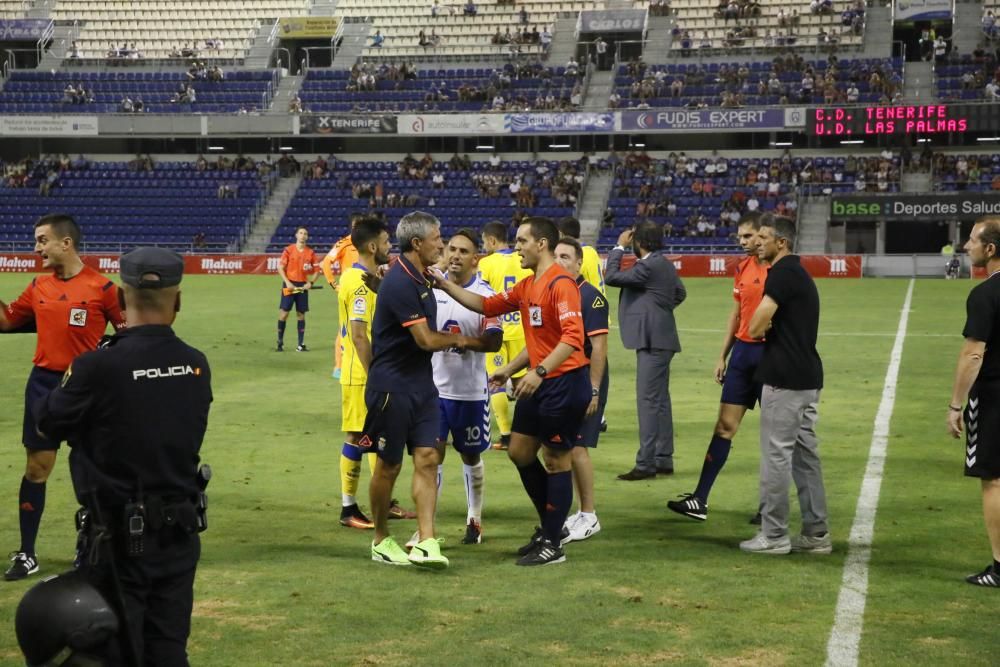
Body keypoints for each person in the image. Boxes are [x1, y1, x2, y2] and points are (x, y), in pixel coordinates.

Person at [33, 247, 212, 664]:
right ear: (178, 301)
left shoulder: (97, 367)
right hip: (179, 533)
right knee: (168, 647)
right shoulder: (196, 364)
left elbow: (47, 424)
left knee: (115, 650)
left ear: (118, 299)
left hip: (118, 539)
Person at [434, 217, 592, 566]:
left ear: (542, 245)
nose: (516, 246)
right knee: (519, 452)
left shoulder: (561, 284)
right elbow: (487, 306)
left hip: (563, 382)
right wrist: (444, 285)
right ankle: (551, 526)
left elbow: (572, 338)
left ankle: (553, 542)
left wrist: (537, 371)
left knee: (556, 460)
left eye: (522, 241)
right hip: (539, 381)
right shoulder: (528, 285)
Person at [1, 214, 125, 581]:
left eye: (42, 240)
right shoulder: (38, 285)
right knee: (37, 468)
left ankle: (91, 548)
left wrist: (108, 350)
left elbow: (129, 332)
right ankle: (27, 553)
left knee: (90, 471)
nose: (36, 247)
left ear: (65, 243)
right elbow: (7, 320)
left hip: (87, 389)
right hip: (43, 385)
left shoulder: (103, 289)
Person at [363, 212, 479, 569]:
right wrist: (464, 339)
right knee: (389, 466)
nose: (441, 244)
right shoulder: (401, 281)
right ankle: (381, 539)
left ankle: (427, 540)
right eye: (437, 238)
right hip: (391, 388)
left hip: (422, 386)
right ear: (417, 244)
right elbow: (426, 339)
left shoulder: (423, 278)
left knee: (429, 459)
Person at [669, 214, 768, 522]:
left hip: (771, 355)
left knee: (775, 435)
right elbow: (737, 314)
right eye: (740, 236)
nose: (743, 242)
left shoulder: (782, 271)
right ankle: (700, 499)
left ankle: (770, 507)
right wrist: (723, 355)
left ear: (764, 237)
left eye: (748, 236)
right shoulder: (742, 268)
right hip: (742, 355)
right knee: (724, 426)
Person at [741, 217, 830, 555]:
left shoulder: (782, 273)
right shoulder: (798, 272)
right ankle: (816, 534)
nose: (757, 242)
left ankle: (774, 535)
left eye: (764, 237)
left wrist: (760, 326)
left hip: (784, 378)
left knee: (776, 456)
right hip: (807, 376)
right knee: (805, 457)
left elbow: (755, 325)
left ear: (782, 242)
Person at [431, 229, 503, 545]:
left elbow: (494, 340)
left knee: (470, 456)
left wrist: (466, 342)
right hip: (433, 392)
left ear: (476, 258)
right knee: (429, 457)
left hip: (470, 394)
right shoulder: (429, 290)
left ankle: (474, 518)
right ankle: (426, 525)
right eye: (452, 249)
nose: (456, 255)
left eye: (463, 251)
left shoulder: (485, 295)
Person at [604, 221, 686, 480]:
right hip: (662, 338)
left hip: (653, 340)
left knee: (648, 401)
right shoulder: (664, 264)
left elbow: (612, 276)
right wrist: (658, 310)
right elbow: (680, 293)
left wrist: (618, 246)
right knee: (660, 401)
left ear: (641, 242)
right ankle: (663, 458)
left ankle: (646, 463)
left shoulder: (648, 265)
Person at [947, 217, 1000, 587]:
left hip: (995, 396)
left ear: (990, 249)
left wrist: (955, 404)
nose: (966, 246)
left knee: (994, 480)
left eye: (971, 240)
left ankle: (999, 567)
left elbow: (973, 354)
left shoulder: (985, 294)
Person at [337, 219, 392, 530]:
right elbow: (359, 335)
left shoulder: (363, 277)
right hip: (361, 373)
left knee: (375, 437)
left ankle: (380, 500)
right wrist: (375, 375)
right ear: (372, 246)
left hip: (364, 371)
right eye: (385, 242)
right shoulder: (359, 282)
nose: (388, 247)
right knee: (358, 436)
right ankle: (348, 508)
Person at [554, 237, 609, 543]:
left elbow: (599, 347)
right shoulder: (561, 291)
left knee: (577, 446)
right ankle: (580, 510)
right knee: (566, 447)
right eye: (557, 255)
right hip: (567, 376)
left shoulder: (591, 297)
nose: (560, 261)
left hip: (587, 376)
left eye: (566, 256)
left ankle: (589, 514)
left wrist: (595, 389)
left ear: (578, 263)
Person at [477, 221, 532, 450]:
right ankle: (526, 430)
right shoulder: (522, 261)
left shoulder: (486, 263)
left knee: (495, 380)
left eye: (484, 242)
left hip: (497, 329)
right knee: (520, 381)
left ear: (491, 240)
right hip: (521, 327)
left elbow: (480, 294)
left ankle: (507, 434)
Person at [321, 216, 362, 378]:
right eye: (355, 225)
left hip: (367, 291)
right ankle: (338, 367)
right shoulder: (344, 243)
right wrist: (334, 285)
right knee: (345, 328)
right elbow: (326, 263)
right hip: (349, 292)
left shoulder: (368, 243)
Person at [276, 226, 319, 352]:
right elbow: (280, 268)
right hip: (290, 285)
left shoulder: (310, 253)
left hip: (302, 286)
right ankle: (280, 342)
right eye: (301, 233)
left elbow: (317, 270)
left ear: (307, 237)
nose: (303, 235)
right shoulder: (288, 250)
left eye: (305, 233)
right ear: (296, 235)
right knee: (284, 314)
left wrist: (310, 283)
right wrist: (287, 282)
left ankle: (300, 344)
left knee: (301, 314)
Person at [557, 216, 606, 294]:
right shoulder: (591, 251)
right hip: (601, 300)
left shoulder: (574, 256)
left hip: (589, 302)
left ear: (561, 234)